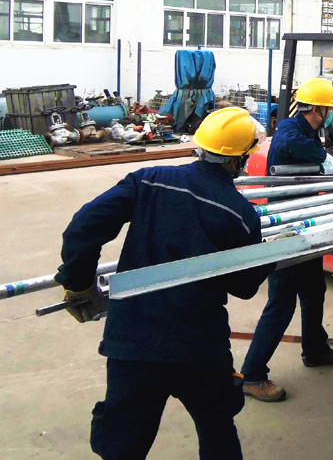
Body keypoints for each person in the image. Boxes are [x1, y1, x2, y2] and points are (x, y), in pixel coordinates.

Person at [55, 107, 272, 460]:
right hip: (199, 347)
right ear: (239, 159)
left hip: (134, 343)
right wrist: (269, 256)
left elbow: (83, 226)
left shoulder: (149, 180)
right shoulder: (240, 213)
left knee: (123, 446)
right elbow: (245, 287)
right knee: (217, 429)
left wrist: (79, 284)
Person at [241, 78, 333, 403]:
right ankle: (252, 375)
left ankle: (315, 349)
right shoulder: (291, 129)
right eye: (328, 109)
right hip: (286, 228)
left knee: (314, 290)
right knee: (282, 302)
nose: (330, 114)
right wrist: (324, 158)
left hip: (306, 223)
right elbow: (293, 144)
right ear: (316, 109)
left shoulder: (310, 130)